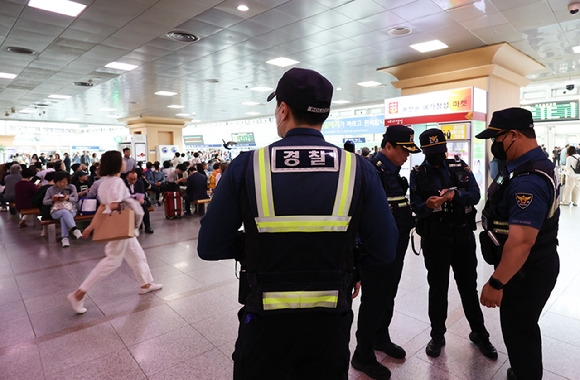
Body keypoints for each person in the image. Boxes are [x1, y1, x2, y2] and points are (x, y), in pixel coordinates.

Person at [198, 67, 398, 379]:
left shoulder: (246, 166)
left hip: (263, 322)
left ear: (283, 109)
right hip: (330, 322)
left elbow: (210, 246)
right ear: (324, 114)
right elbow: (385, 250)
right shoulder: (357, 169)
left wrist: (255, 243)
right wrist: (346, 255)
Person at [477, 107, 560, 380]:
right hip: (528, 267)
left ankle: (526, 374)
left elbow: (522, 242)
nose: (494, 145)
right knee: (520, 328)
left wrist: (496, 283)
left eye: (496, 138)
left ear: (513, 135)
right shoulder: (525, 168)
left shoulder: (529, 180)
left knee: (519, 331)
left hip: (526, 271)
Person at [410, 128, 497, 360]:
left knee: (468, 287)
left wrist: (453, 196)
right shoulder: (418, 173)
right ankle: (437, 335)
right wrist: (427, 206)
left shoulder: (460, 167)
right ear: (424, 152)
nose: (436, 156)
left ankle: (479, 333)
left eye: (439, 150)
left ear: (445, 148)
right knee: (437, 289)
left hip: (462, 236)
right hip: (435, 238)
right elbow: (415, 204)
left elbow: (475, 195)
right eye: (430, 152)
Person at [352, 125, 421, 378]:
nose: (406, 156)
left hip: (395, 246)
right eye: (403, 150)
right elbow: (358, 215)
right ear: (388, 146)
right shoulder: (371, 171)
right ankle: (362, 353)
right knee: (374, 300)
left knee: (387, 295)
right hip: (376, 250)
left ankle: (381, 337)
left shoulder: (394, 172)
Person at [67, 150, 162, 314]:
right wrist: (133, 202)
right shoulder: (117, 182)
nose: (126, 162)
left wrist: (91, 227)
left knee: (136, 254)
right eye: (122, 160)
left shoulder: (104, 182)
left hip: (121, 225)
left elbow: (103, 206)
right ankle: (79, 293)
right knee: (112, 260)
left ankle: (145, 284)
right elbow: (115, 205)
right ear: (117, 164)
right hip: (121, 225)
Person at [42, 171, 83, 247]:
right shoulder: (50, 189)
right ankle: (74, 229)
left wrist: (68, 198)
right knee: (64, 213)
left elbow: (76, 199)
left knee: (64, 216)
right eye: (60, 182)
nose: (62, 184)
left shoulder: (71, 187)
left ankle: (65, 238)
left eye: (65, 182)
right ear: (56, 181)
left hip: (70, 209)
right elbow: (45, 202)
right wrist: (52, 200)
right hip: (56, 211)